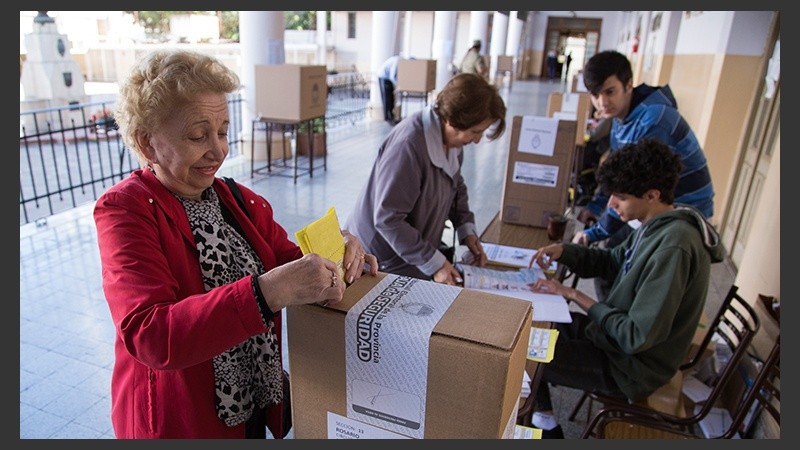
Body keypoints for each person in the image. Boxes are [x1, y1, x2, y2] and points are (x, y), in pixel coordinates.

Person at [93, 49, 378, 439]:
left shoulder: (237, 200)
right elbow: (149, 332)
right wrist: (266, 293)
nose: (218, 150)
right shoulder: (126, 210)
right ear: (148, 144)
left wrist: (341, 250)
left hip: (249, 409)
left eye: (224, 131)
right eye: (198, 135)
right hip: (180, 420)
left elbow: (296, 264)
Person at [527, 138, 724, 438]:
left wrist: (573, 294)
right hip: (610, 340)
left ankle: (546, 429)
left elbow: (636, 336)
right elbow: (613, 261)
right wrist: (565, 251)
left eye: (619, 197)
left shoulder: (674, 246)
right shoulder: (655, 223)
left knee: (524, 355)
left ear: (652, 194)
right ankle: (546, 419)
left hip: (629, 368)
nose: (610, 205)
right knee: (528, 330)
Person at [574, 49, 715, 300]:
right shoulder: (622, 117)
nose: (602, 102)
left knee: (620, 265)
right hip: (653, 201)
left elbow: (635, 190)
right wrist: (596, 207)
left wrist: (592, 233)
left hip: (685, 210)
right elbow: (619, 175)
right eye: (595, 95)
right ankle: (611, 319)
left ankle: (615, 327)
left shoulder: (653, 121)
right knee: (612, 256)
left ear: (628, 85)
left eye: (609, 91)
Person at [345, 73, 506, 285]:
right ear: (454, 120)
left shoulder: (452, 143)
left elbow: (455, 186)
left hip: (408, 256)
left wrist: (467, 231)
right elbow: (388, 219)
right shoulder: (409, 145)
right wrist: (435, 263)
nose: (477, 140)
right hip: (377, 261)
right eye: (475, 132)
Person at [378, 54, 401, 124]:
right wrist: (397, 86)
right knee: (387, 98)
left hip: (387, 78)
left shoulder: (399, 61)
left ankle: (391, 116)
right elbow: (392, 76)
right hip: (384, 77)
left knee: (391, 98)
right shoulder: (397, 61)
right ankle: (387, 118)